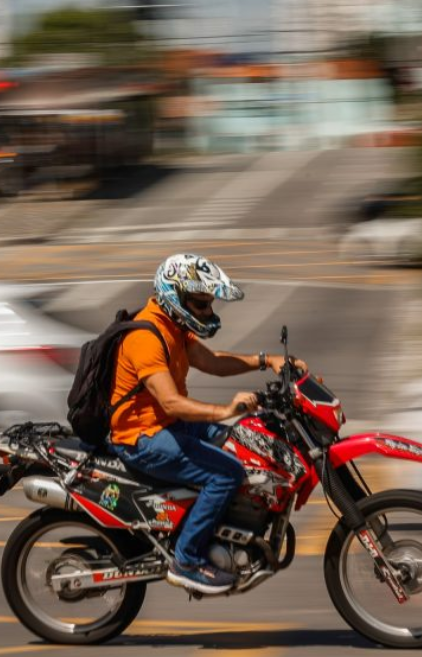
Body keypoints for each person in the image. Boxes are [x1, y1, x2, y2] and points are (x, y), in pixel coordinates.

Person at [109, 252, 305, 596]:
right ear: (175, 296)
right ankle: (187, 560)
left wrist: (267, 360)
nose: (208, 311)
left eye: (209, 303)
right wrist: (225, 409)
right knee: (225, 473)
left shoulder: (172, 325)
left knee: (242, 440)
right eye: (201, 304)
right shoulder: (146, 337)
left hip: (169, 424)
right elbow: (171, 402)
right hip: (142, 437)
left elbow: (212, 362)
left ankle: (222, 527)